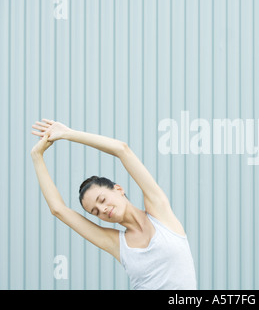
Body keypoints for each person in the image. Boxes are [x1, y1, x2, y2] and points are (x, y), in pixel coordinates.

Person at [30, 119, 197, 290]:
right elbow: (59, 210)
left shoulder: (160, 211)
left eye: (102, 200)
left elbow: (122, 150)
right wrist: (37, 157)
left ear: (118, 189)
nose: (102, 209)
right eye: (95, 212)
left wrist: (67, 133)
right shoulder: (116, 243)